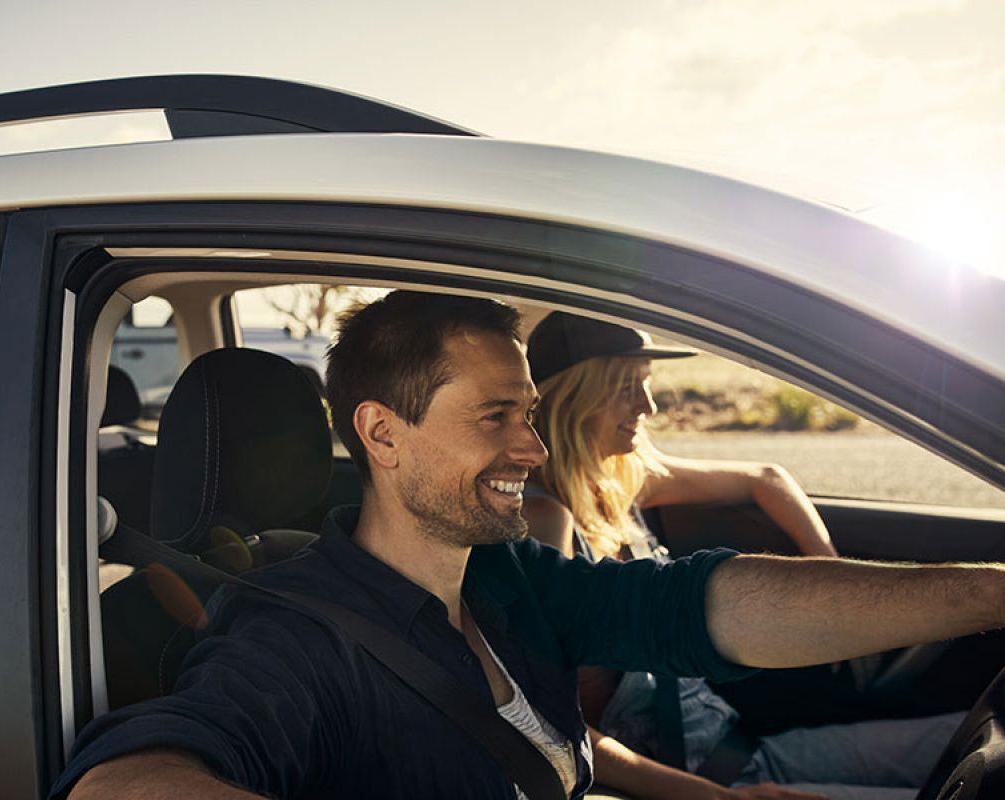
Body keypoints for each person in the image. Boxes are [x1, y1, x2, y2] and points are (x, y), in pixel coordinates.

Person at [58, 291, 1005, 800]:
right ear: (383, 436)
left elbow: (693, 605)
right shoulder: (291, 634)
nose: (532, 447)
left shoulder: (508, 578)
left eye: (534, 413)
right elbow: (125, 782)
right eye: (499, 417)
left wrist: (987, 593)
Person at [522, 311, 963, 800]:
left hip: (743, 752)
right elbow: (556, 734)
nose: (647, 405)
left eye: (645, 385)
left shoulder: (623, 479)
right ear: (572, 398)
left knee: (968, 736)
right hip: (704, 783)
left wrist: (835, 586)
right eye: (626, 387)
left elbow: (766, 478)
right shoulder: (545, 527)